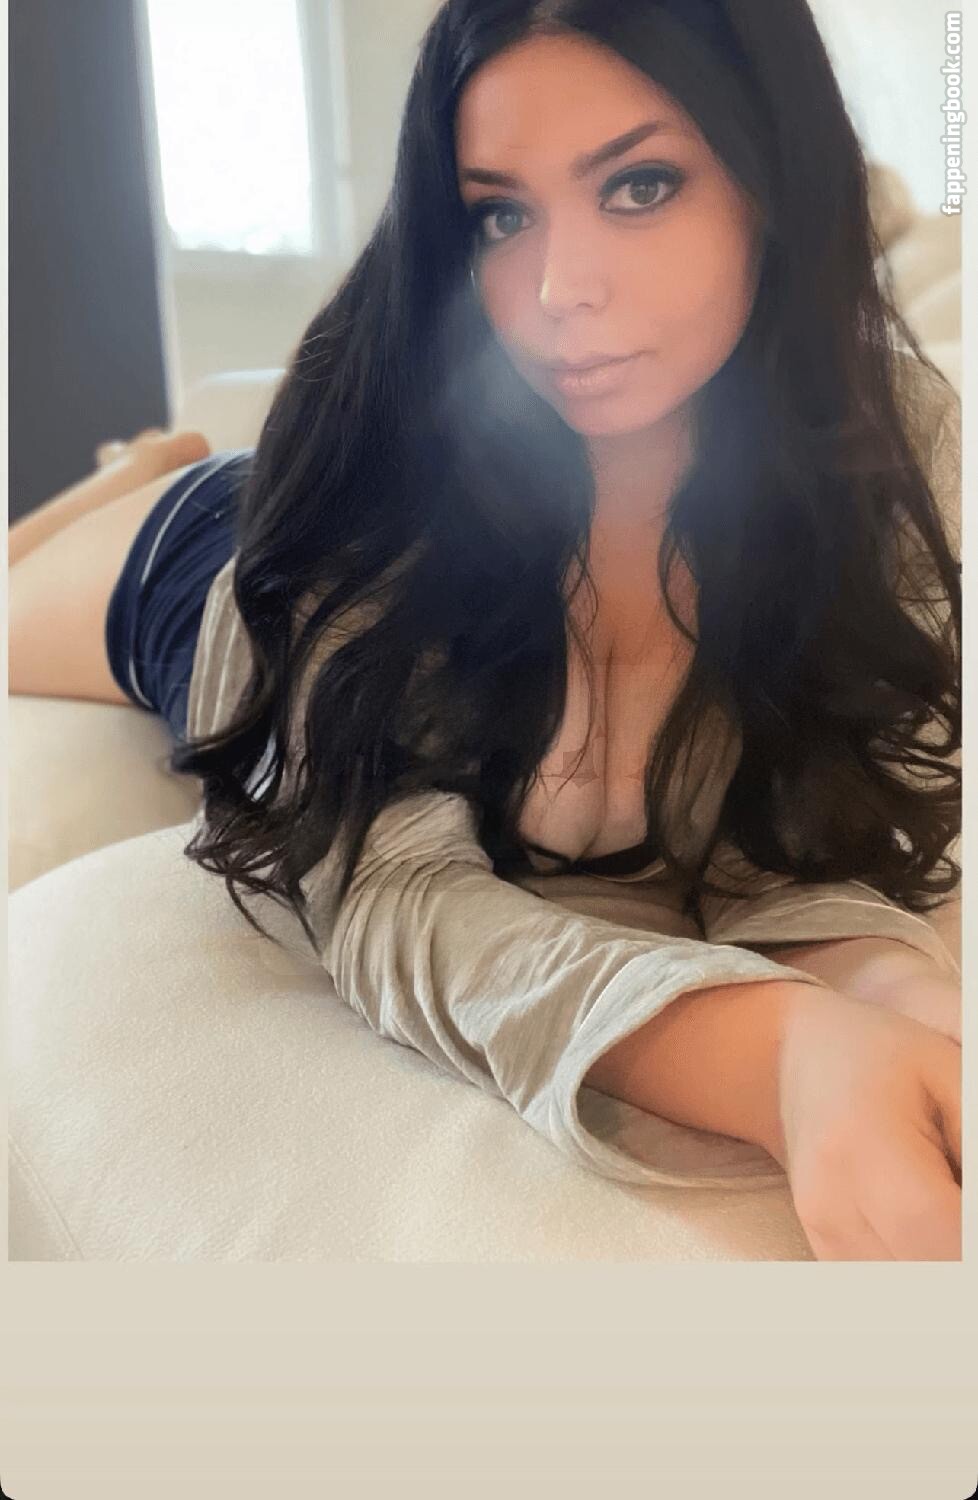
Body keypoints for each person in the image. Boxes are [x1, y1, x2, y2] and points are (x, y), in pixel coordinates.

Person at [8, 0, 962, 1261]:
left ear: (773, 174)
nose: (559, 292)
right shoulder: (371, 487)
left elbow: (807, 834)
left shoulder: (885, 443)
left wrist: (907, 1008)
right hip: (217, 559)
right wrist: (775, 1054)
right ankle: (132, 477)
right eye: (499, 216)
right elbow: (398, 898)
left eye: (638, 186)